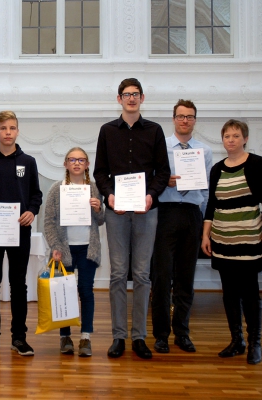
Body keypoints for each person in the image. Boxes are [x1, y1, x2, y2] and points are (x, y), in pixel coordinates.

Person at [93, 78, 170, 360]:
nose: (131, 99)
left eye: (135, 94)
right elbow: (100, 172)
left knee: (141, 274)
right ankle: (118, 337)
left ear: (142, 97)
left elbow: (162, 172)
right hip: (116, 212)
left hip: (146, 211)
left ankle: (139, 336)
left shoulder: (155, 130)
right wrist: (109, 195)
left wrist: (150, 195)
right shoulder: (107, 131)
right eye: (126, 95)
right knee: (116, 274)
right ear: (119, 99)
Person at [201, 119, 262, 365]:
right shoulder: (217, 169)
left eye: (235, 135)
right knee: (229, 293)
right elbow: (212, 205)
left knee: (250, 292)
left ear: (245, 138)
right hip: (222, 239)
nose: (230, 140)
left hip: (248, 238)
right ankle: (236, 341)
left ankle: (255, 342)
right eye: (226, 136)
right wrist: (205, 234)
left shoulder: (257, 164)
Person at [0, 111, 43, 357]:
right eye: (3, 128)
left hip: (20, 232)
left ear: (17, 131)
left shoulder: (29, 162)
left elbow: (36, 195)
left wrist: (32, 212)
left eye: (12, 128)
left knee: (18, 285)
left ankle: (19, 337)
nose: (7, 132)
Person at [151, 100, 213, 354]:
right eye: (180, 116)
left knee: (186, 279)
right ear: (173, 119)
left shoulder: (204, 151)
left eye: (189, 117)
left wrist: (204, 223)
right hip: (165, 213)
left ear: (195, 120)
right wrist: (164, 182)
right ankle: (161, 335)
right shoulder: (160, 146)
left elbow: (207, 189)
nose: (185, 120)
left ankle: (182, 333)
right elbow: (152, 180)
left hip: (192, 215)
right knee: (162, 278)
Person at [43, 147, 104, 357]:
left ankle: (86, 337)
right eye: (72, 159)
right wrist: (55, 247)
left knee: (86, 292)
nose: (77, 163)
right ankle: (65, 337)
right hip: (64, 250)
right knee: (64, 294)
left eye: (81, 160)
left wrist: (98, 209)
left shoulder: (94, 189)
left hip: (88, 248)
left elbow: (102, 220)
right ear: (66, 164)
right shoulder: (56, 189)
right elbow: (48, 223)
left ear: (87, 165)